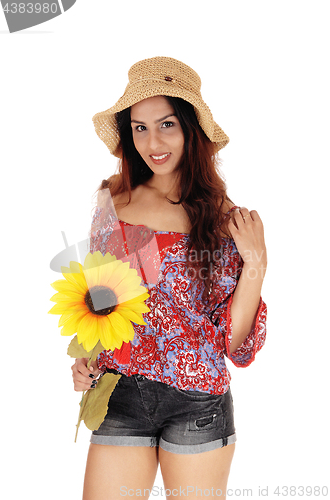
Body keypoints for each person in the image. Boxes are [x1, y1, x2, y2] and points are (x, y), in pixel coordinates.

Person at [71, 56, 267, 499]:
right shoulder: (113, 201)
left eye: (167, 125)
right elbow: (100, 300)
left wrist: (256, 265)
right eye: (139, 127)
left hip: (197, 403)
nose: (152, 141)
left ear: (191, 130)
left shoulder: (225, 219)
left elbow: (233, 345)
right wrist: (84, 359)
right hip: (119, 391)